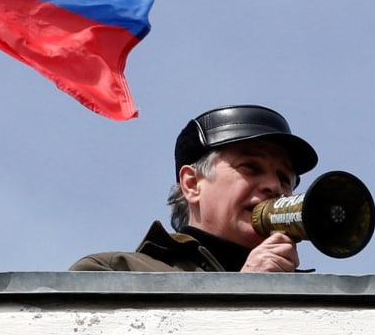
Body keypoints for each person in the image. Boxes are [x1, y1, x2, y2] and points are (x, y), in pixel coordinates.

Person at [70, 104, 317, 273]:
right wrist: (247, 294)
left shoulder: (318, 299)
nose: (274, 186)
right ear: (192, 184)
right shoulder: (117, 272)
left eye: (285, 179)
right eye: (250, 167)